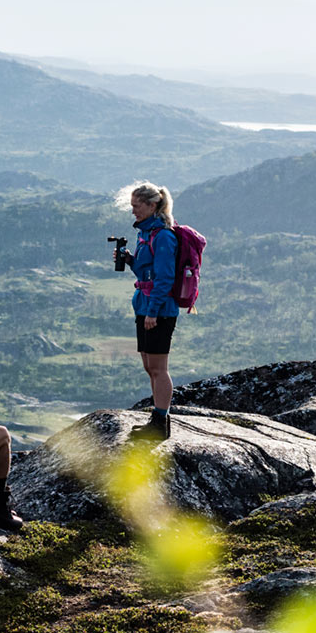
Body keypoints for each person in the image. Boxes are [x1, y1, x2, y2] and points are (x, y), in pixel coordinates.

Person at [122, 181, 180, 439]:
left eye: (136, 206)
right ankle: (157, 419)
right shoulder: (145, 234)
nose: (133, 211)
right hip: (144, 305)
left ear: (151, 204)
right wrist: (129, 260)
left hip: (159, 309)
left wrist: (154, 312)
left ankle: (160, 423)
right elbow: (146, 272)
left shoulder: (164, 236)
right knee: (149, 365)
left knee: (158, 367)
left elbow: (165, 278)